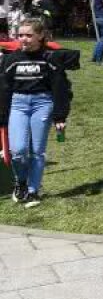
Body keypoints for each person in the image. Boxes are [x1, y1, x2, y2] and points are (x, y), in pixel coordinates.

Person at [0, 20, 72, 207]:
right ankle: (21, 182)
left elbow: (60, 88)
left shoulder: (50, 58)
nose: (23, 39)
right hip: (18, 105)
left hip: (43, 103)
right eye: (21, 35)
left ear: (40, 36)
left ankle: (33, 191)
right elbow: (4, 88)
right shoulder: (11, 59)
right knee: (18, 150)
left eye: (28, 35)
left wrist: (60, 117)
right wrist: (2, 115)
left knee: (37, 152)